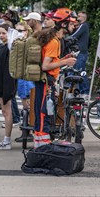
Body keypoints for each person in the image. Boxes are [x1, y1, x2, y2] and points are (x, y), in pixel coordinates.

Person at [33, 8, 77, 148]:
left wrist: (62, 59)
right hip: (46, 80)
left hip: (46, 81)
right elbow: (46, 66)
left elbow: (50, 61)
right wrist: (65, 62)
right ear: (63, 25)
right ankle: (41, 145)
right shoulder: (54, 42)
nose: (73, 26)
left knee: (45, 110)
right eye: (71, 23)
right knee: (42, 112)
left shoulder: (54, 39)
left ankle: (42, 142)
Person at [71, 10, 90, 98]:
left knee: (80, 71)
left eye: (79, 16)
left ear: (84, 18)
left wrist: (66, 39)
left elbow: (75, 35)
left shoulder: (83, 25)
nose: (77, 17)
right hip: (81, 52)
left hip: (81, 52)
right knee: (79, 71)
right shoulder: (83, 26)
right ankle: (82, 91)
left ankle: (85, 91)